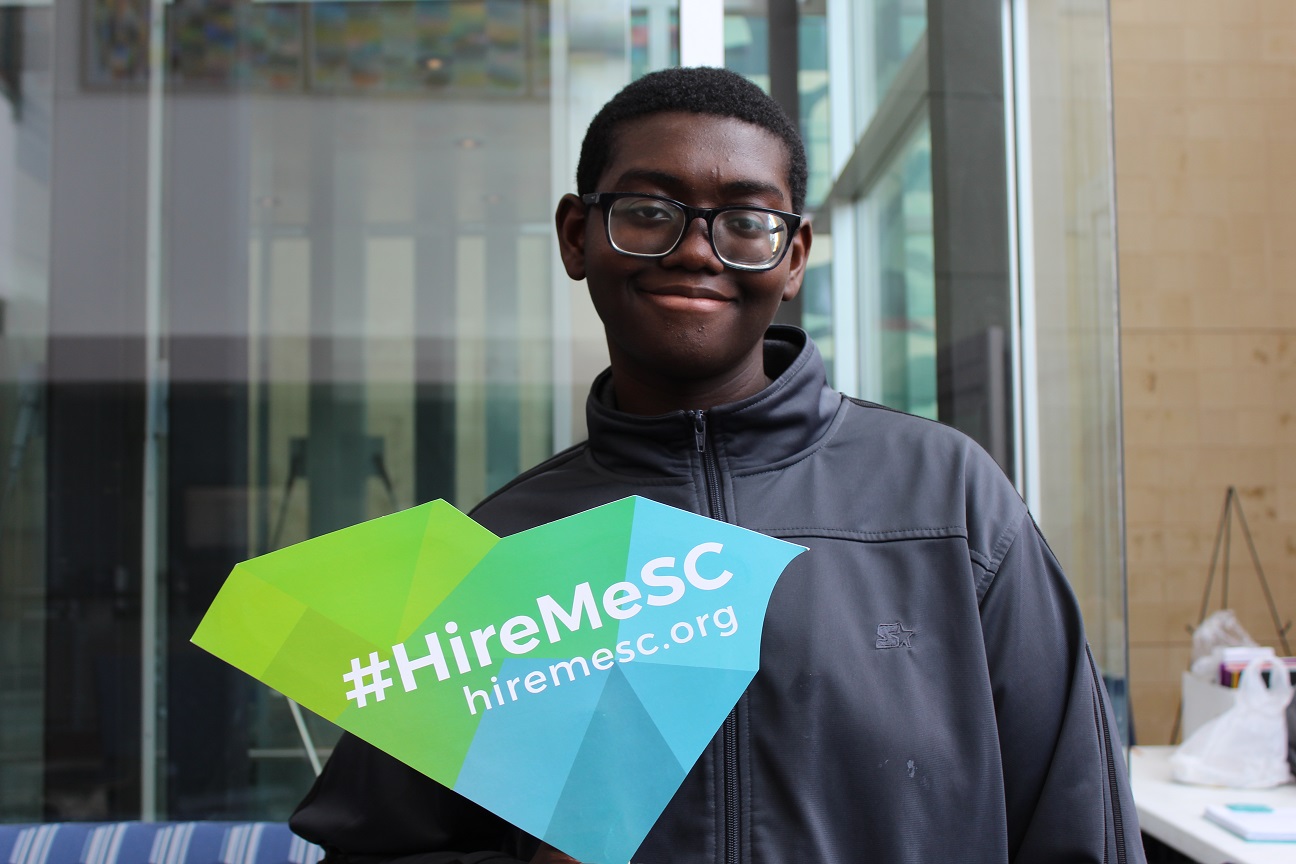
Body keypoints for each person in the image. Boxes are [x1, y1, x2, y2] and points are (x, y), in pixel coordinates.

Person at [290, 66, 1145, 864]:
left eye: (746, 221)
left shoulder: (948, 502)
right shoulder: (503, 550)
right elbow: (384, 846)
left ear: (794, 255)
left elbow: (1079, 828)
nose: (698, 250)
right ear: (578, 236)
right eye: (650, 210)